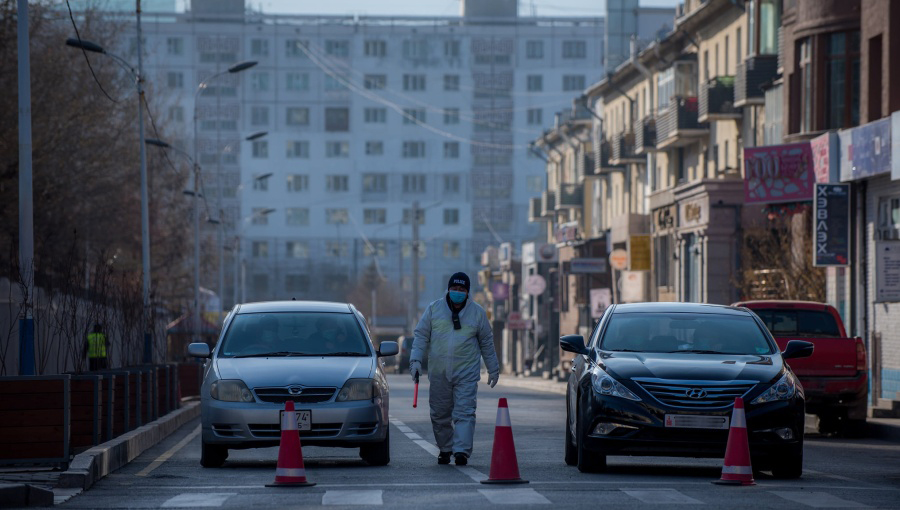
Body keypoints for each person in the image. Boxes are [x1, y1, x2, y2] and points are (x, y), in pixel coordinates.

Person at [409, 272, 500, 466]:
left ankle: (461, 452)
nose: (457, 292)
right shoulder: (434, 309)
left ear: (468, 292)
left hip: (466, 373)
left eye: (462, 290)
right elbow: (421, 336)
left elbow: (486, 343)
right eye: (454, 289)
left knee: (465, 412)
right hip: (439, 372)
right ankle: (445, 449)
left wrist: (493, 368)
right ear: (448, 290)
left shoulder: (477, 313)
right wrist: (415, 360)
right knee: (439, 414)